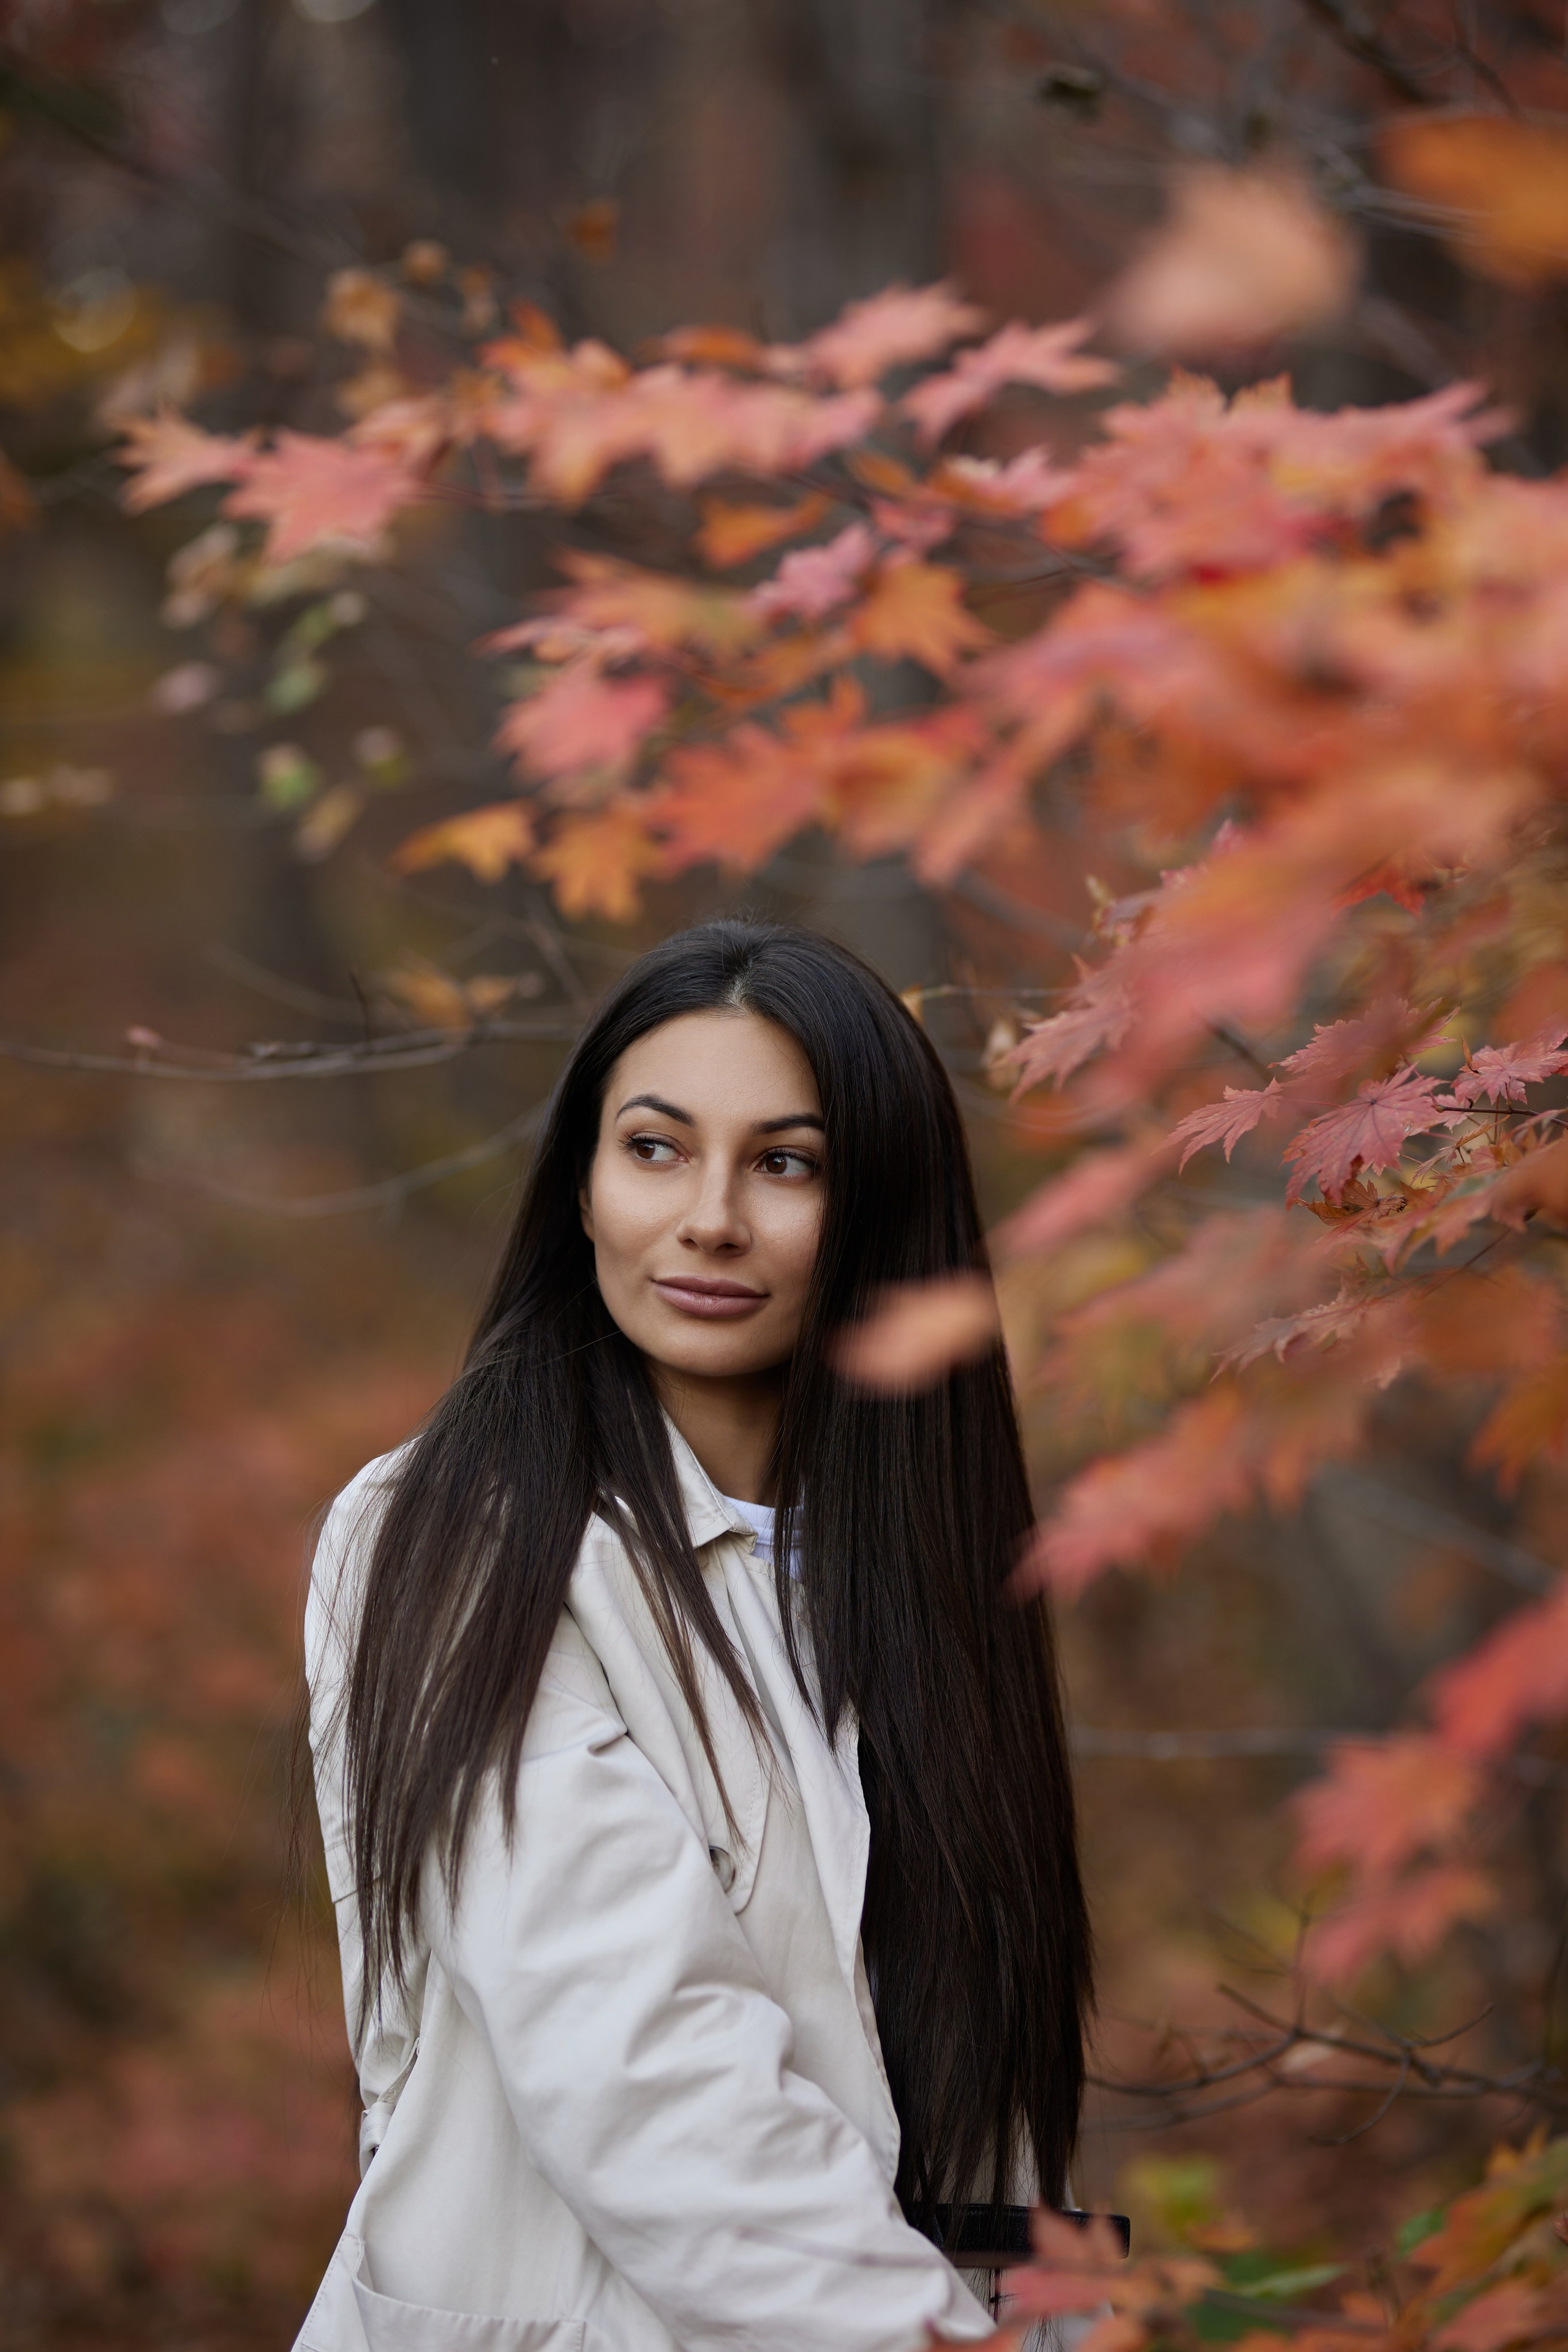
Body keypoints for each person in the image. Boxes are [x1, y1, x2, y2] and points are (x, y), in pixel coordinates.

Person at [295, 919, 1091, 2352]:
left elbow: (983, 2139)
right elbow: (642, 2065)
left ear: (883, 1214)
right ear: (582, 1187)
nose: (709, 1218)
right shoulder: (462, 1539)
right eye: (654, 1149)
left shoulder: (916, 1570)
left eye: (785, 1165)